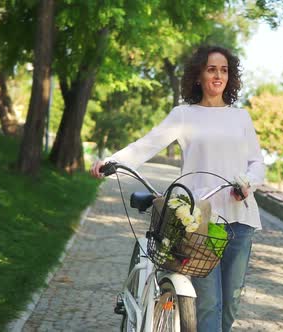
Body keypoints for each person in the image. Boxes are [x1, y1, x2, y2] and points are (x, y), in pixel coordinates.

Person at [90, 45, 265, 332]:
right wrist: (112, 161)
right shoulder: (184, 115)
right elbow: (147, 144)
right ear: (199, 76)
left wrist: (248, 184)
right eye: (211, 69)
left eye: (224, 70)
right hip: (200, 222)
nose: (218, 75)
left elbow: (256, 162)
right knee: (208, 303)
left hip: (240, 219)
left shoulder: (241, 118)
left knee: (229, 306)